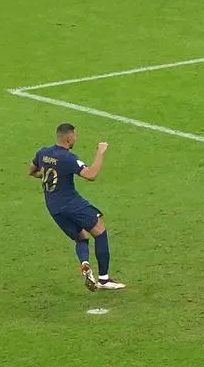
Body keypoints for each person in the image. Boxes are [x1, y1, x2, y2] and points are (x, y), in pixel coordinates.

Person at [28, 123, 126, 291]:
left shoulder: (42, 153)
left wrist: (48, 177)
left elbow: (32, 171)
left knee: (81, 237)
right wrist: (100, 152)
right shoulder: (69, 158)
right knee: (100, 230)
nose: (76, 138)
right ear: (68, 138)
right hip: (71, 203)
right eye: (75, 136)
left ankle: (85, 264)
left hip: (53, 207)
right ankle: (104, 279)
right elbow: (91, 175)